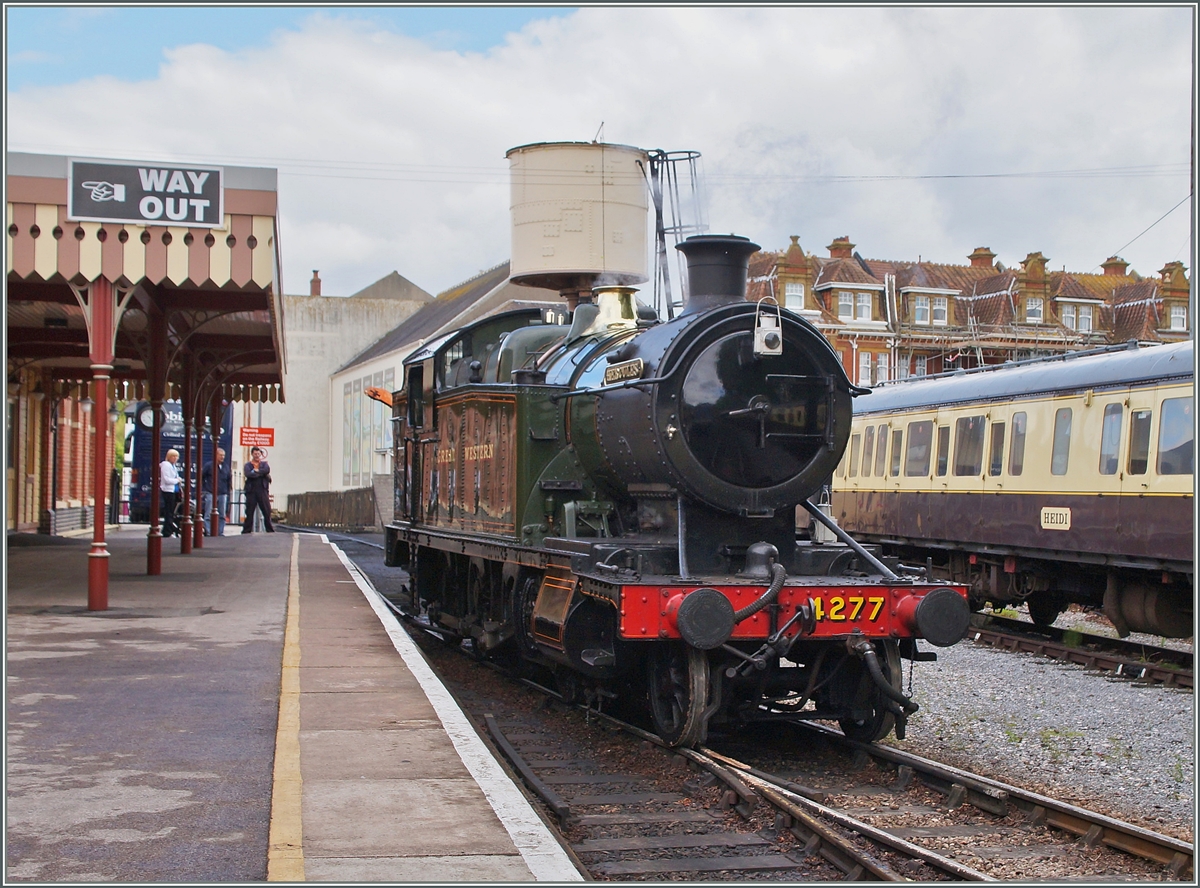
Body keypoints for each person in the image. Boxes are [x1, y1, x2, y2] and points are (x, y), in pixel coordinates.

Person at [241, 446, 274, 533]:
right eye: (255, 454)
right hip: (251, 491)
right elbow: (248, 474)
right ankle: (246, 530)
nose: (257, 455)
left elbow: (267, 470)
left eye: (258, 453)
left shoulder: (264, 464)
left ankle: (269, 529)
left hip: (262, 490)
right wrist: (260, 473)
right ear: (252, 454)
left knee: (266, 510)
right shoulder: (248, 465)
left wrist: (256, 471)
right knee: (249, 511)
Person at [201, 448, 232, 536]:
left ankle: (220, 532)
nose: (222, 457)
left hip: (222, 493)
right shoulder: (209, 466)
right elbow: (202, 476)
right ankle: (208, 531)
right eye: (220, 455)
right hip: (210, 492)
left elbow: (229, 478)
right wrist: (205, 487)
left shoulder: (226, 466)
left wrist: (227, 489)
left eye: (223, 455)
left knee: (222, 514)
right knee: (208, 513)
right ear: (216, 455)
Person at [159, 448, 181, 538]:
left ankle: (167, 529)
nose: (175, 458)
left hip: (174, 490)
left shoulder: (173, 466)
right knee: (169, 511)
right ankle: (168, 531)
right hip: (168, 490)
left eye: (176, 456)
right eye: (173, 456)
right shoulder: (166, 465)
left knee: (172, 511)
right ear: (169, 457)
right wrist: (177, 480)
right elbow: (167, 479)